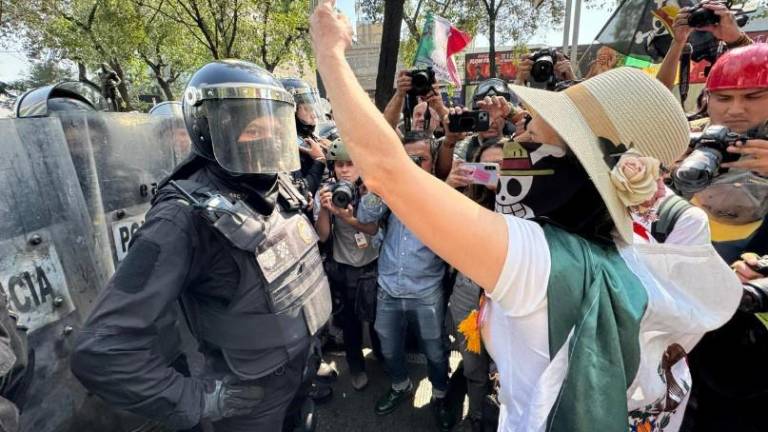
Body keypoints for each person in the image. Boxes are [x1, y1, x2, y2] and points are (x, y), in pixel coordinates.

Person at [309, 3, 742, 431]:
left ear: (577, 166)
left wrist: (329, 51)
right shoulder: (667, 237)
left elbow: (387, 172)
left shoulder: (544, 264)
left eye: (531, 136)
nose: (516, 145)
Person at [70, 60, 332, 431]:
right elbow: (101, 350)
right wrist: (200, 400)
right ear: (214, 129)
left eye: (274, 123)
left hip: (300, 366)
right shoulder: (181, 217)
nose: (268, 136)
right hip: (248, 396)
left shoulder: (278, 183)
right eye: (253, 126)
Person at [356, 131, 452, 430]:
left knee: (435, 350)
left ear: (433, 161)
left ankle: (440, 394)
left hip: (426, 291)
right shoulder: (391, 190)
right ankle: (400, 385)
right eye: (406, 159)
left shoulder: (444, 193)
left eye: (420, 159)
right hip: (388, 288)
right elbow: (366, 216)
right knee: (388, 347)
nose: (413, 165)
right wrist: (382, 180)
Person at [444, 141, 503, 432]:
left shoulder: (528, 204)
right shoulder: (464, 201)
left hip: (508, 296)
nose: (495, 174)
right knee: (473, 367)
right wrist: (447, 189)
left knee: (508, 369)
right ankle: (476, 417)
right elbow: (438, 235)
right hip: (468, 294)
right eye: (488, 168)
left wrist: (506, 195)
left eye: (503, 167)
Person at [314, 138, 381, 391]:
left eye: (350, 164)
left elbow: (373, 230)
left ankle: (381, 356)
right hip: (343, 271)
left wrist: (349, 218)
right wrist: (324, 209)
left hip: (371, 267)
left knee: (376, 322)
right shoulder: (329, 192)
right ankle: (356, 367)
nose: (344, 170)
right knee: (351, 326)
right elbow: (322, 236)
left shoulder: (371, 192)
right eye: (339, 164)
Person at [280, 77, 329, 197]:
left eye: (313, 109)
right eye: (307, 109)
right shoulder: (284, 147)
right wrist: (320, 161)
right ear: (290, 112)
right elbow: (301, 193)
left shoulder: (309, 138)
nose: (313, 115)